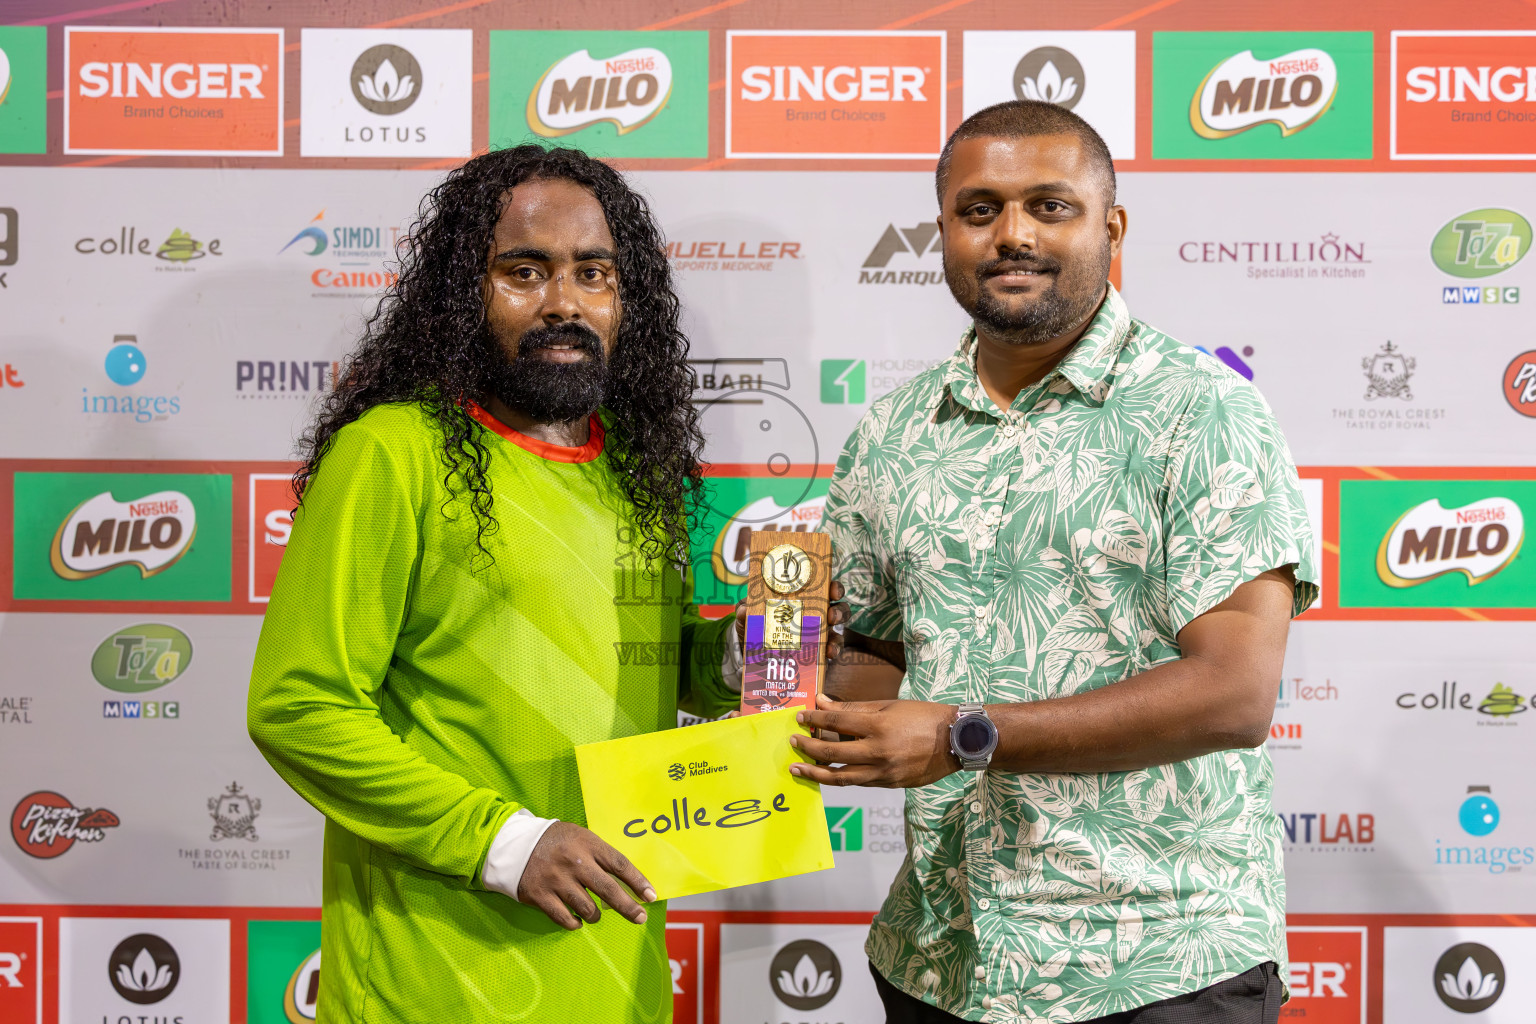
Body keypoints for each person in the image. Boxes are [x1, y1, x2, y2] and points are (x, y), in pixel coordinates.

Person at [798, 100, 1319, 1023]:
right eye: (979, 209)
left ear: (1110, 228)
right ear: (944, 230)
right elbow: (872, 655)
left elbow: (1233, 694)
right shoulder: (891, 431)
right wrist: (769, 662)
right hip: (942, 956)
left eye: (1049, 206)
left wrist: (964, 731)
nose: (1012, 235)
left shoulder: (1203, 413)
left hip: (1158, 961)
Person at [247, 145, 769, 1022]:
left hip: (615, 954)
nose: (563, 302)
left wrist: (751, 647)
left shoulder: (635, 467)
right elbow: (299, 707)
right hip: (434, 975)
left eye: (592, 274)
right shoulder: (393, 451)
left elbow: (660, 664)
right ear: (464, 292)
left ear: (623, 298)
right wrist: (506, 843)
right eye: (524, 271)